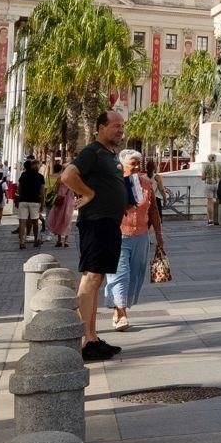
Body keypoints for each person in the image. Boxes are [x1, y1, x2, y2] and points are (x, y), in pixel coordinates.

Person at [60, 110, 128, 362]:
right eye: (115, 126)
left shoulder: (110, 155)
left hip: (109, 223)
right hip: (96, 222)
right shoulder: (93, 151)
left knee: (98, 278)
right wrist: (87, 193)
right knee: (91, 277)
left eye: (122, 126)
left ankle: (92, 337)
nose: (120, 130)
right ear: (101, 127)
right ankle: (85, 339)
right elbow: (68, 175)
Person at [105, 150, 164, 331]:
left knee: (135, 275)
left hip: (141, 236)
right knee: (120, 274)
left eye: (139, 163)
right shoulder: (113, 184)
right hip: (118, 235)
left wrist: (159, 236)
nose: (137, 167)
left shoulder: (146, 183)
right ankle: (120, 313)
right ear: (122, 165)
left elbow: (153, 210)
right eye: (133, 163)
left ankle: (120, 307)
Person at [15, 158, 45, 250]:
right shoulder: (40, 177)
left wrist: (19, 198)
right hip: (35, 201)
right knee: (35, 221)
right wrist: (42, 203)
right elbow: (42, 191)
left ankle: (22, 242)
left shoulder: (23, 175)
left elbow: (19, 189)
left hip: (23, 200)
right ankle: (36, 240)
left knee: (22, 222)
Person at [45, 173, 76, 248]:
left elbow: (56, 190)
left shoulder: (60, 178)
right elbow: (76, 191)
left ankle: (59, 240)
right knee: (67, 220)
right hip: (69, 202)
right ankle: (66, 241)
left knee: (58, 220)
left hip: (60, 201)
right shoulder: (73, 179)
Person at [200, 153, 220, 225]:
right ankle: (218, 219)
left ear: (209, 158)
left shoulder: (207, 166)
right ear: (215, 158)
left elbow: (203, 177)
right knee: (217, 201)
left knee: (210, 202)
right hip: (218, 184)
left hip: (209, 184)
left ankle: (210, 219)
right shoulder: (219, 165)